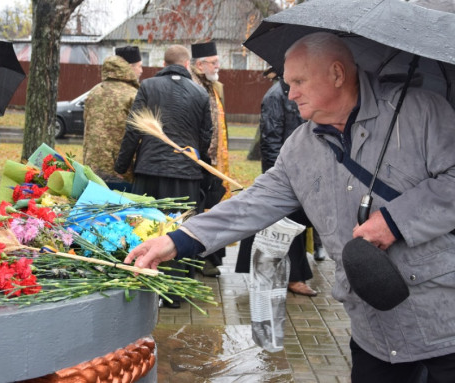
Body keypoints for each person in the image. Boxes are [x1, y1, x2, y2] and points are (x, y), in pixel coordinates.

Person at [124, 32, 455, 382]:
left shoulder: (419, 114)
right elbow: (254, 202)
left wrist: (393, 221)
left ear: (338, 74)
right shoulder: (301, 147)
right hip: (373, 333)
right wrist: (179, 239)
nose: (290, 92)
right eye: (287, 82)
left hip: (442, 328)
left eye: (298, 81)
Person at [115, 44, 213, 308]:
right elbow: (206, 138)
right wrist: (200, 166)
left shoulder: (147, 87)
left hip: (150, 171)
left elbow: (133, 129)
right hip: (186, 174)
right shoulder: (201, 94)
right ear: (187, 64)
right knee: (182, 231)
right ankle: (176, 291)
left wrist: (122, 165)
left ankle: (144, 283)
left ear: (164, 62)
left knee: (146, 227)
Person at [236, 70, 318, 296]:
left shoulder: (295, 93)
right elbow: (270, 138)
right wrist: (277, 175)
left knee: (294, 225)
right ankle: (291, 278)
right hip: (285, 172)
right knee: (285, 223)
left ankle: (290, 274)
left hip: (302, 169)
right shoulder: (275, 96)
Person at [190, 41, 230, 277]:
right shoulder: (193, 86)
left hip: (215, 162)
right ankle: (199, 259)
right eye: (214, 62)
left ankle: (210, 257)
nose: (218, 66)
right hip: (200, 161)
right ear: (200, 64)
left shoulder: (214, 86)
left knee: (213, 209)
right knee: (201, 211)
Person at [82, 45, 142, 190]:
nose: (141, 71)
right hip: (121, 172)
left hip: (92, 168)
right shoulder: (133, 95)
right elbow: (137, 134)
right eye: (139, 66)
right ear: (129, 67)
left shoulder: (94, 92)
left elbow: (86, 126)